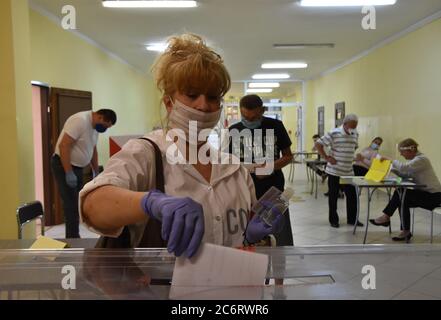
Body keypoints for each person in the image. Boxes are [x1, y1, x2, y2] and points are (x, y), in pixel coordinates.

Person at [79, 34, 282, 258]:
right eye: (192, 95)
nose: (204, 105)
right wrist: (149, 202)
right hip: (161, 291)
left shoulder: (234, 169)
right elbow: (93, 207)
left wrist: (253, 236)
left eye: (213, 97)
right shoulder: (146, 153)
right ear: (169, 102)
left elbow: (241, 240)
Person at [228, 94, 294, 247]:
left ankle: (280, 268)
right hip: (242, 191)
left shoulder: (276, 126)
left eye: (254, 118)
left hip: (272, 189)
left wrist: (270, 168)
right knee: (247, 236)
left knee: (280, 234)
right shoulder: (233, 130)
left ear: (263, 110)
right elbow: (226, 162)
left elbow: (288, 156)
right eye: (245, 117)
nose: (249, 122)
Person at [52, 109, 116, 238]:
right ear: (100, 117)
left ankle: (74, 234)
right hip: (63, 165)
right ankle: (73, 238)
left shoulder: (94, 127)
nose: (104, 129)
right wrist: (68, 171)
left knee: (78, 201)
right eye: (105, 126)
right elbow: (64, 145)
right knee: (71, 204)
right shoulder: (80, 120)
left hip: (78, 167)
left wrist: (96, 171)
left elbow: (93, 149)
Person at [369, 139, 441, 241]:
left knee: (402, 193)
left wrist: (390, 160)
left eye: (402, 152)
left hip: (434, 197)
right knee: (402, 199)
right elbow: (406, 175)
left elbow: (405, 167)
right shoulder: (415, 161)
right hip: (425, 194)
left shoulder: (422, 159)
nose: (401, 155)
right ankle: (405, 231)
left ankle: (386, 217)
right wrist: (389, 169)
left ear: (410, 150)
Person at [315, 114, 363, 228]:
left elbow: (353, 147)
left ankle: (352, 219)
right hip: (334, 171)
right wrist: (327, 157)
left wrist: (353, 156)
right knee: (333, 196)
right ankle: (333, 220)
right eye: (351, 126)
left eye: (355, 126)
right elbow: (318, 144)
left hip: (349, 171)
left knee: (352, 196)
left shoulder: (355, 134)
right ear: (345, 124)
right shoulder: (334, 133)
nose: (353, 129)